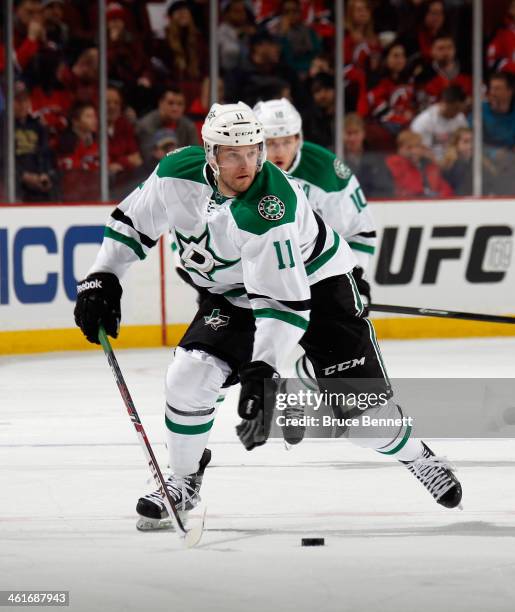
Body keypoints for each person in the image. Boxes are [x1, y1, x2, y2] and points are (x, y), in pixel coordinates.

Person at [73, 102, 462, 530]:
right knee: (189, 375)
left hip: (319, 288)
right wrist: (102, 277)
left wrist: (262, 368)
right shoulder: (174, 174)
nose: (248, 164)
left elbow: (280, 304)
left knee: (366, 421)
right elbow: (131, 223)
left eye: (254, 151)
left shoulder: (270, 206)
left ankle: (418, 456)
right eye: (233, 154)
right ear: (210, 152)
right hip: (235, 292)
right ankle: (181, 482)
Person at [253, 97, 376, 443]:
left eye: (286, 141)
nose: (279, 150)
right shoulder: (244, 172)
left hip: (321, 276)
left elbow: (361, 231)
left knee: (339, 353)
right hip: (269, 277)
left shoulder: (326, 171)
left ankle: (297, 388)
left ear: (299, 139)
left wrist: (356, 278)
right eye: (270, 142)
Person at [136, 87, 198, 165]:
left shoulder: (189, 127)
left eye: (180, 104)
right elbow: (147, 158)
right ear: (160, 103)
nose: (175, 108)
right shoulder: (146, 125)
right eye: (170, 103)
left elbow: (196, 157)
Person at [386, 129, 453, 198]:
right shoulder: (394, 163)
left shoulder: (428, 165)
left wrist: (432, 161)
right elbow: (407, 189)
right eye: (409, 147)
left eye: (417, 146)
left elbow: (446, 190)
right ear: (400, 148)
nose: (414, 151)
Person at [411, 84, 468, 162]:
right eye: (455, 108)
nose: (457, 112)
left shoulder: (460, 118)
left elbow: (466, 143)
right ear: (444, 103)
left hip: (454, 161)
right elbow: (419, 150)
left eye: (460, 109)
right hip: (429, 163)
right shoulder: (424, 121)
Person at [344, 113, 394, 198]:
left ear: (363, 134)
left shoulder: (376, 160)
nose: (352, 138)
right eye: (349, 133)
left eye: (356, 133)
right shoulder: (334, 157)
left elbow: (385, 189)